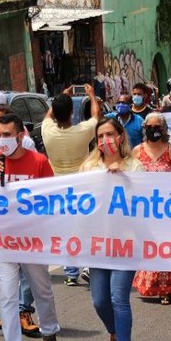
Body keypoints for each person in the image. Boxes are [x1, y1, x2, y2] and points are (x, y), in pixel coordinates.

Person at [0, 113, 61, 341]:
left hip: (32, 241)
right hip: (3, 241)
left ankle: (49, 331)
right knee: (7, 296)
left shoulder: (38, 162)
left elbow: (51, 200)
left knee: (42, 290)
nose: (2, 140)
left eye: (7, 135)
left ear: (20, 136)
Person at [79, 118, 144, 341]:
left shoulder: (134, 166)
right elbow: (80, 200)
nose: (106, 139)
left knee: (119, 298)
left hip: (125, 242)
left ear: (120, 136)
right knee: (99, 300)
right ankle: (114, 333)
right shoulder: (89, 166)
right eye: (101, 135)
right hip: (98, 243)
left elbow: (143, 203)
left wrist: (124, 179)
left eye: (110, 134)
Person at [42, 84, 101, 286]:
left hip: (58, 186)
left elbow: (48, 116)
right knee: (85, 227)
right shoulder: (81, 132)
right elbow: (95, 117)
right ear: (73, 112)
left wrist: (60, 95)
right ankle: (88, 266)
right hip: (81, 185)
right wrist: (92, 95)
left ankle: (71, 273)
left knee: (65, 229)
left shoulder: (47, 131)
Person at [131, 114, 171, 304]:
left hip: (167, 210)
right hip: (144, 210)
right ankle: (148, 283)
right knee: (148, 247)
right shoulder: (137, 151)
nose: (153, 129)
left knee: (163, 247)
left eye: (157, 126)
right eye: (149, 126)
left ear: (164, 130)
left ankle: (165, 289)